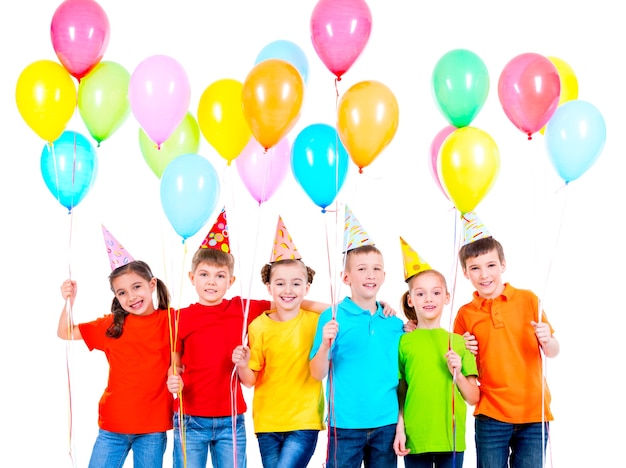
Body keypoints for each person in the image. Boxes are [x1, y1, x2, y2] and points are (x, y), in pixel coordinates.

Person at [166, 210, 327, 468]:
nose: (211, 282)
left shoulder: (242, 309)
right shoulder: (179, 317)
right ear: (192, 278)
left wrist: (343, 309)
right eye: (205, 274)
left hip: (231, 418)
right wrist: (172, 375)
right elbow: (174, 356)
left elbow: (286, 300)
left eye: (220, 276)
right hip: (190, 417)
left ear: (230, 281)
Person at [57, 226, 174, 468]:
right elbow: (65, 332)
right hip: (113, 426)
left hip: (152, 428)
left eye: (137, 287)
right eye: (122, 292)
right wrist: (70, 301)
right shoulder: (112, 325)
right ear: (116, 297)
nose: (131, 297)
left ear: (152, 284)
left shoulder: (171, 321)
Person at [452, 212, 560, 468]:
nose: (484, 274)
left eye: (490, 265)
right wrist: (465, 349)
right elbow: (460, 362)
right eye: (475, 268)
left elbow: (554, 350)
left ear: (502, 265)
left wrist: (547, 339)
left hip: (534, 412)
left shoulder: (529, 300)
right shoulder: (465, 314)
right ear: (466, 273)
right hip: (491, 414)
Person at [309, 206, 405, 468]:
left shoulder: (394, 323)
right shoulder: (332, 317)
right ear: (346, 277)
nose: (370, 274)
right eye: (362, 269)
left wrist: (399, 422)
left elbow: (402, 375)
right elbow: (317, 373)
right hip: (345, 425)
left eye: (376, 269)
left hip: (385, 424)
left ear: (384, 276)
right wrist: (325, 345)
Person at [232, 216, 325, 468]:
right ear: (268, 287)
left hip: (305, 420)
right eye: (280, 284)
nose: (288, 290)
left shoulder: (316, 321)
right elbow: (250, 380)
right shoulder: (258, 326)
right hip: (267, 423)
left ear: (307, 287)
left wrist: (383, 306)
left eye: (296, 284)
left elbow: (343, 313)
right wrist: (241, 364)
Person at [393, 237, 479, 468]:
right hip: (415, 436)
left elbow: (473, 398)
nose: (428, 299)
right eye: (420, 294)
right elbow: (400, 391)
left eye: (436, 293)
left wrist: (458, 374)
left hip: (450, 438)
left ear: (447, 297)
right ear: (410, 300)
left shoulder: (459, 343)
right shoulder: (403, 342)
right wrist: (400, 427)